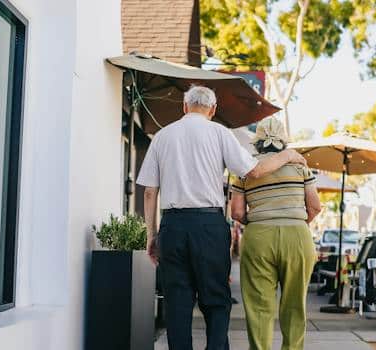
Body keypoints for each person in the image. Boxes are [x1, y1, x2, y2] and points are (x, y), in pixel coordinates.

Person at [137, 85, 307, 350]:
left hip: (173, 225)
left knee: (177, 305)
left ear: (184, 106)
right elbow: (256, 171)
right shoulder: (220, 133)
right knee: (216, 301)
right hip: (209, 226)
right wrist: (288, 154)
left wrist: (152, 234)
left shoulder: (162, 136)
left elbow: (149, 192)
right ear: (213, 110)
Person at [230, 117, 322, 350]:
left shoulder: (246, 167)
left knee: (259, 308)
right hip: (297, 238)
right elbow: (315, 207)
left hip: (259, 238)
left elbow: (237, 211)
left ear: (257, 142)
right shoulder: (300, 165)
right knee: (294, 306)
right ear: (283, 141)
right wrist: (296, 220)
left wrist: (261, 219)